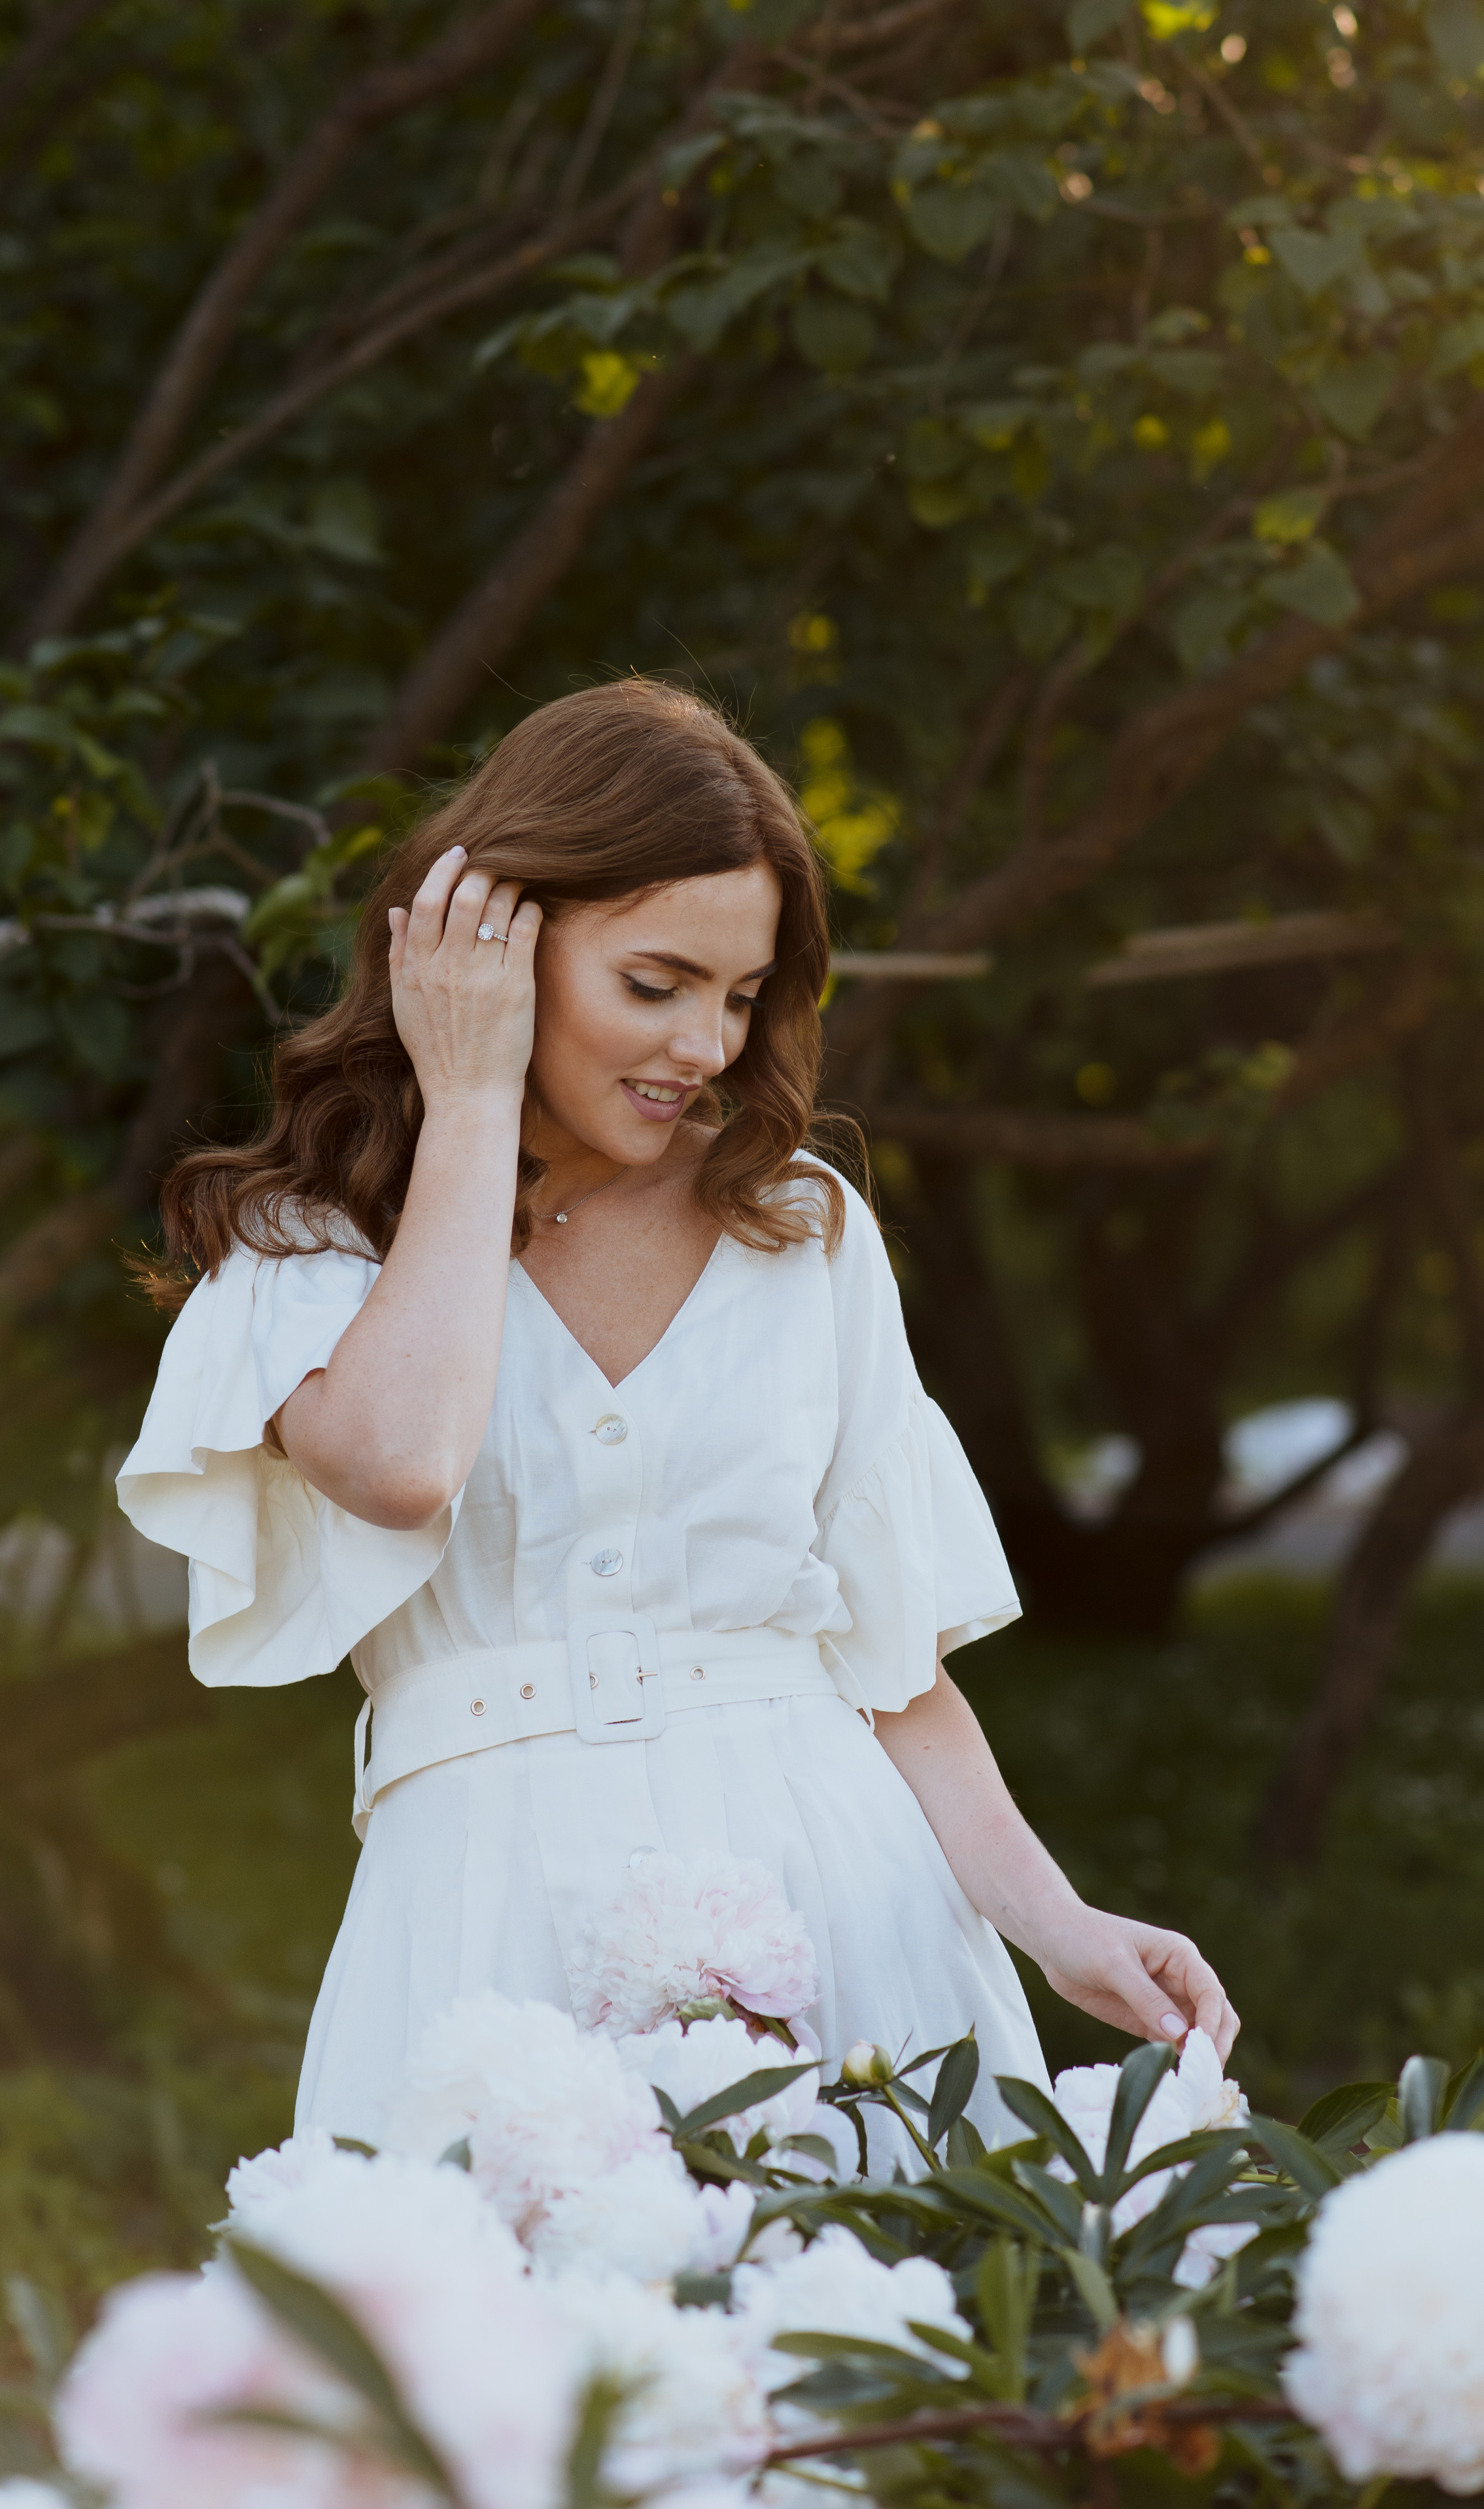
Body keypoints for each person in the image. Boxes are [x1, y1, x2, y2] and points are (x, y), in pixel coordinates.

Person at [120, 678, 1235, 2151]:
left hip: (839, 1899)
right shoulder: (306, 1251)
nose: (704, 1045)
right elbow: (396, 1465)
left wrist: (1053, 1921)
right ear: (497, 944)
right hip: (486, 1925)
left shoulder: (800, 1229)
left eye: (738, 993)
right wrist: (466, 1105)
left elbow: (887, 1666)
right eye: (655, 984)